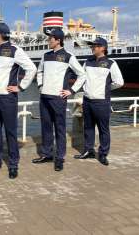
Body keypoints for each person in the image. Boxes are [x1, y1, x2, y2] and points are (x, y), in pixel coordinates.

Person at [0, 22, 36, 179]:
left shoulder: (15, 50)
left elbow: (32, 68)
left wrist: (21, 87)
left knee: (10, 132)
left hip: (7, 98)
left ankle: (13, 164)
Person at [32, 28, 85, 171]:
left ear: (58, 40)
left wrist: (71, 90)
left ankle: (60, 158)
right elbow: (40, 71)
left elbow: (82, 74)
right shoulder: (45, 55)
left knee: (60, 129)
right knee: (46, 127)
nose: (48, 41)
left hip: (58, 99)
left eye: (50, 39)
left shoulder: (68, 56)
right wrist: (41, 86)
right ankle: (46, 154)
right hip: (44, 97)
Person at [74, 37, 124, 166]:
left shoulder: (110, 63)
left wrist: (106, 88)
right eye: (92, 46)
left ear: (103, 48)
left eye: (96, 46)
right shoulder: (87, 62)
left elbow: (119, 82)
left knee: (103, 129)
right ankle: (88, 150)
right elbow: (82, 77)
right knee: (88, 128)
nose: (93, 47)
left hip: (102, 102)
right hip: (88, 100)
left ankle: (102, 154)